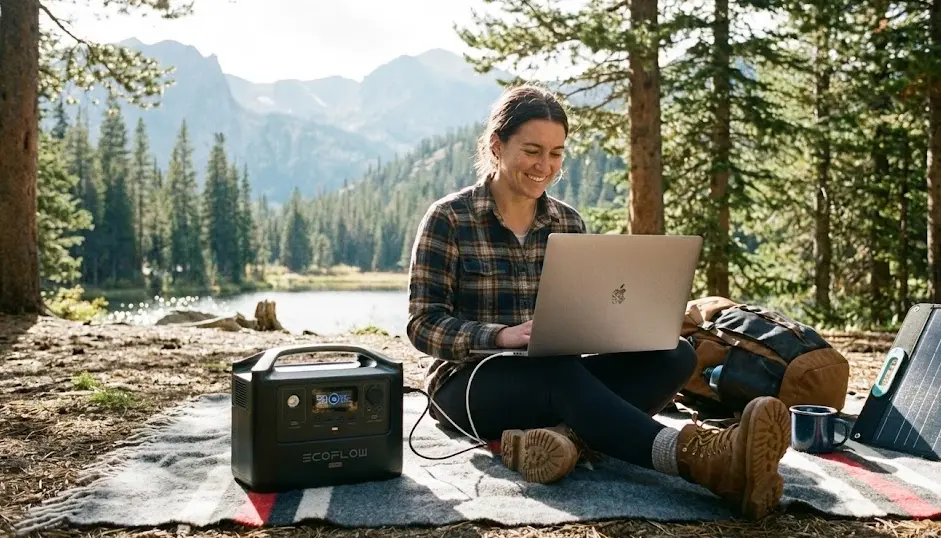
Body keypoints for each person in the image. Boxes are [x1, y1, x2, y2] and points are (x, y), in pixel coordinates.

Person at [405, 83, 791, 520]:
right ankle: (701, 460)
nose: (545, 166)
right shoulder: (449, 218)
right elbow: (422, 324)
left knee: (676, 355)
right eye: (532, 151)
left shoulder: (568, 222)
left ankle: (564, 440)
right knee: (556, 371)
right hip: (468, 384)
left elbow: (588, 313)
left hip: (559, 374)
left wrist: (621, 325)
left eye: (556, 153)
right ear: (497, 145)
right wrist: (502, 335)